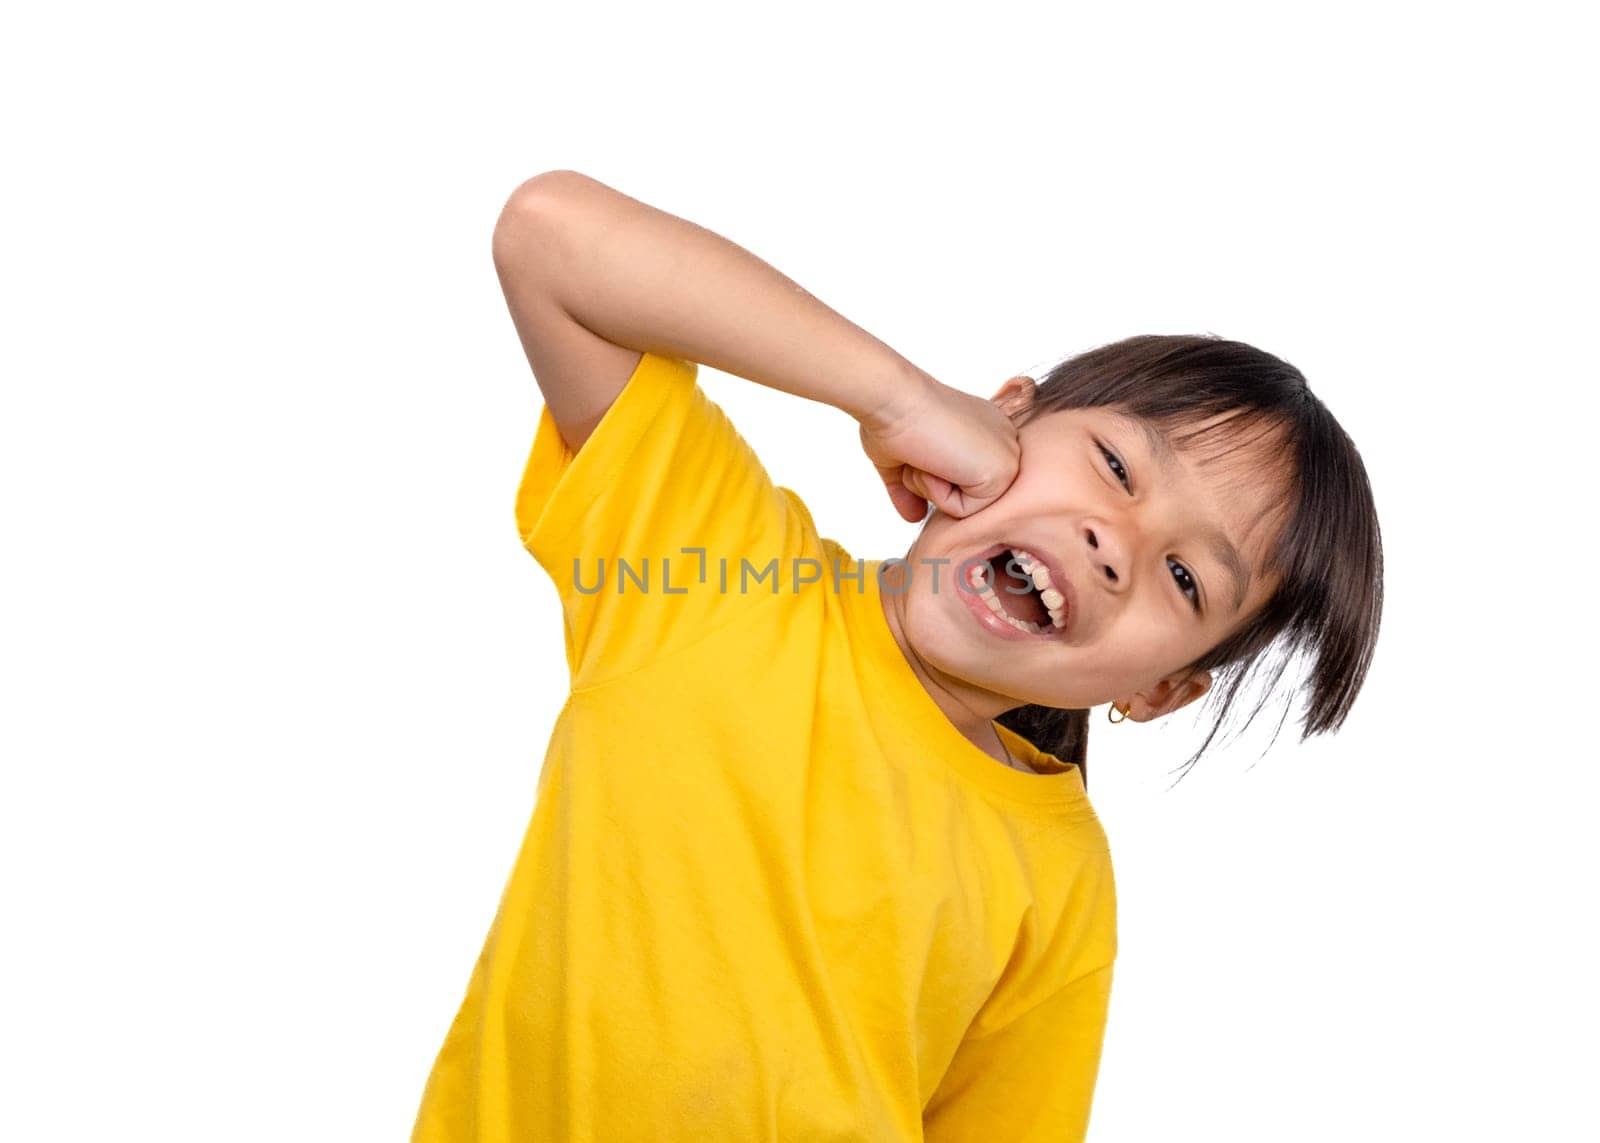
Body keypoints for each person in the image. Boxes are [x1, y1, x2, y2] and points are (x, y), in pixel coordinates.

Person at [411, 170, 1383, 1142]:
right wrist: (892, 394)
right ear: (1002, 417)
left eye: (1183, 580)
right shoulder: (722, 574)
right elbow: (550, 236)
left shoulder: (1060, 881)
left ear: (1157, 689)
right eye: (1117, 467)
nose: (1111, 545)